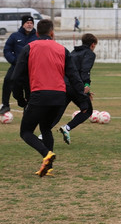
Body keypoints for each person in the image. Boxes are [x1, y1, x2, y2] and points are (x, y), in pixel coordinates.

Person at [12, 19, 85, 177]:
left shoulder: (29, 48)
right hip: (59, 97)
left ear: (37, 34)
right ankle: (48, 167)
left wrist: (20, 98)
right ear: (52, 33)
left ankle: (47, 154)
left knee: (26, 132)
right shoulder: (62, 49)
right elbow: (74, 76)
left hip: (39, 95)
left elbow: (16, 77)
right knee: (45, 128)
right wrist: (83, 96)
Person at [55, 33, 98, 145]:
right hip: (75, 86)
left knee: (58, 112)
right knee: (87, 110)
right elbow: (85, 71)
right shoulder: (89, 54)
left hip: (63, 84)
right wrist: (86, 85)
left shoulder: (73, 52)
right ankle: (67, 127)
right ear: (93, 45)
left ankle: (42, 135)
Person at [0, 15, 38, 115]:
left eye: (31, 23)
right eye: (27, 23)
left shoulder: (37, 37)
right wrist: (14, 61)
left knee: (29, 88)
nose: (29, 25)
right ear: (23, 24)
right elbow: (7, 50)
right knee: (8, 80)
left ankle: (27, 108)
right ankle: (5, 105)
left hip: (31, 68)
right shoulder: (15, 36)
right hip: (17, 66)